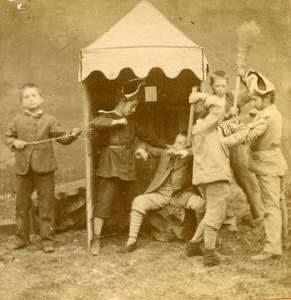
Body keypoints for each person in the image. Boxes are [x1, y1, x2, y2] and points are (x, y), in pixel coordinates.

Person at [90, 78, 168, 256]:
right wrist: (115, 123)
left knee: (133, 201)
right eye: (132, 106)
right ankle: (96, 238)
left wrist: (167, 146)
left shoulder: (132, 123)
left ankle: (135, 234)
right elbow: (95, 123)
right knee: (104, 202)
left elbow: (149, 136)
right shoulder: (108, 116)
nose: (134, 110)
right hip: (109, 167)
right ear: (122, 102)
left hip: (126, 167)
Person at [5, 83, 82, 253]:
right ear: (21, 103)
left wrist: (73, 135)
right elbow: (8, 137)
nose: (31, 99)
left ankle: (47, 240)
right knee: (22, 205)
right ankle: (21, 238)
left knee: (46, 204)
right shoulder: (17, 120)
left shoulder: (50, 120)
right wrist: (15, 142)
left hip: (45, 169)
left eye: (34, 95)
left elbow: (62, 138)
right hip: (23, 170)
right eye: (26, 97)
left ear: (42, 99)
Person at [190, 70, 263, 228]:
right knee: (220, 181)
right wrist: (227, 114)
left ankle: (259, 214)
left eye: (224, 85)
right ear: (211, 86)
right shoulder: (206, 101)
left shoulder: (233, 96)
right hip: (217, 143)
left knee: (245, 176)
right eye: (217, 86)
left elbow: (253, 92)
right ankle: (228, 220)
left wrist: (244, 78)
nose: (221, 89)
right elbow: (205, 122)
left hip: (235, 143)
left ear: (228, 85)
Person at [185, 94, 250, 267]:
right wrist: (203, 95)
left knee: (210, 213)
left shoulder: (206, 131)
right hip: (214, 177)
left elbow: (224, 144)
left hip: (208, 177)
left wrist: (245, 132)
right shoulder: (203, 127)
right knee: (216, 214)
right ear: (208, 115)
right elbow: (219, 106)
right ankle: (210, 254)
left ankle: (192, 245)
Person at [116, 132, 206, 253]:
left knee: (201, 204)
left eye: (180, 143)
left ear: (187, 146)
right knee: (138, 201)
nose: (175, 145)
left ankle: (200, 239)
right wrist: (141, 150)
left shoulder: (190, 158)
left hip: (181, 195)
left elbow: (200, 148)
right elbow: (145, 146)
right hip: (160, 195)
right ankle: (131, 242)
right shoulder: (165, 153)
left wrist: (183, 152)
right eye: (175, 141)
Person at [243, 69, 288, 261]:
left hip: (267, 165)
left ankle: (272, 249)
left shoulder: (265, 117)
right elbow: (261, 115)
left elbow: (251, 135)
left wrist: (233, 133)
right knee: (279, 202)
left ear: (267, 98)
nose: (252, 103)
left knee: (270, 206)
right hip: (276, 162)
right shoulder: (272, 112)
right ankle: (283, 238)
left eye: (255, 99)